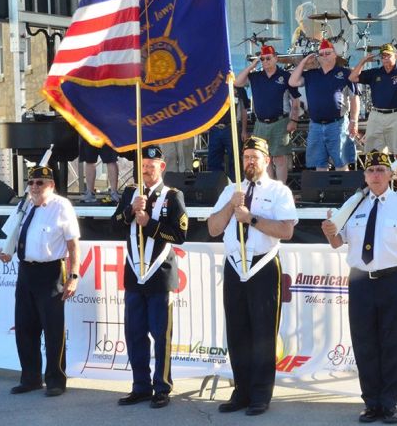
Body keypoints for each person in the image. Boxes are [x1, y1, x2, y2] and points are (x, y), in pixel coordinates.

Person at [321, 149, 397, 424]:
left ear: (391, 175)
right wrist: (329, 233)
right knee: (364, 343)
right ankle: (371, 403)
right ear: (364, 176)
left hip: (393, 280)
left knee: (391, 344)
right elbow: (337, 242)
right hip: (359, 281)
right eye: (370, 171)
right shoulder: (352, 205)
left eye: (381, 170)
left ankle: (389, 404)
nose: (376, 175)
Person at [206, 136, 297, 416]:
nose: (249, 162)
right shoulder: (232, 191)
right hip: (235, 266)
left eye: (254, 157)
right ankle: (241, 392)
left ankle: (260, 394)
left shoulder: (279, 191)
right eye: (245, 157)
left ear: (266, 160)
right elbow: (213, 228)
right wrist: (230, 207)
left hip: (263, 266)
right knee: (238, 333)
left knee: (262, 334)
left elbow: (286, 231)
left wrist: (251, 219)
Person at [111, 146, 188, 409]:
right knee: (134, 334)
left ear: (161, 167)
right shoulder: (131, 193)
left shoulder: (172, 196)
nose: (146, 170)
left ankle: (162, 387)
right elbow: (114, 224)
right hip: (134, 273)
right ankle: (140, 386)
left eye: (151, 165)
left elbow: (179, 236)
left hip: (159, 275)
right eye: (143, 166)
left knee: (160, 334)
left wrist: (150, 225)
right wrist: (130, 211)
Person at [0, 165, 81, 398]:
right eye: (31, 182)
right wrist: (6, 252)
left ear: (51, 185)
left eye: (40, 183)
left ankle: (55, 380)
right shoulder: (23, 206)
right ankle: (30, 378)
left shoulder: (61, 206)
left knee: (53, 330)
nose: (34, 187)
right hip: (26, 272)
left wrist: (73, 276)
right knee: (25, 328)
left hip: (51, 272)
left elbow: (73, 244)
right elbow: (13, 237)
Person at [349, 43, 397, 193]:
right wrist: (363, 62)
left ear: (396, 56)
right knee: (373, 153)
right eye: (383, 56)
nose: (385, 59)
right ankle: (377, 188)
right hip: (376, 114)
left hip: (396, 114)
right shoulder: (376, 72)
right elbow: (353, 77)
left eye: (388, 55)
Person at [234, 45, 302, 183]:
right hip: (260, 123)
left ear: (276, 58)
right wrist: (252, 66)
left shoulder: (285, 76)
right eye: (263, 59)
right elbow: (237, 82)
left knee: (279, 158)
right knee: (264, 157)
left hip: (280, 122)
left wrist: (293, 120)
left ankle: (281, 189)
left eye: (268, 58)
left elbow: (296, 100)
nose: (265, 61)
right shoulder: (255, 76)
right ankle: (270, 188)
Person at [289, 39, 359, 171]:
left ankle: (343, 192)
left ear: (335, 55)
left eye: (328, 53)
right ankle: (322, 192)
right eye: (321, 54)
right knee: (319, 164)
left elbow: (354, 98)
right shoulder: (311, 74)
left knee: (341, 163)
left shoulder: (345, 73)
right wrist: (304, 62)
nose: (325, 56)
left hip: (337, 124)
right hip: (315, 125)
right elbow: (292, 82)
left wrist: (354, 120)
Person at [207, 86, 248, 180]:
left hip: (232, 127)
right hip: (215, 128)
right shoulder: (212, 86)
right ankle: (216, 187)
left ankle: (236, 186)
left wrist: (244, 131)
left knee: (235, 160)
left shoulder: (239, 89)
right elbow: (207, 107)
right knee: (213, 161)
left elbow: (244, 110)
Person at [79, 138, 120, 203]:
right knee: (89, 160)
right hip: (89, 131)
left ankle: (114, 192)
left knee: (111, 160)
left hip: (106, 131)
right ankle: (90, 192)